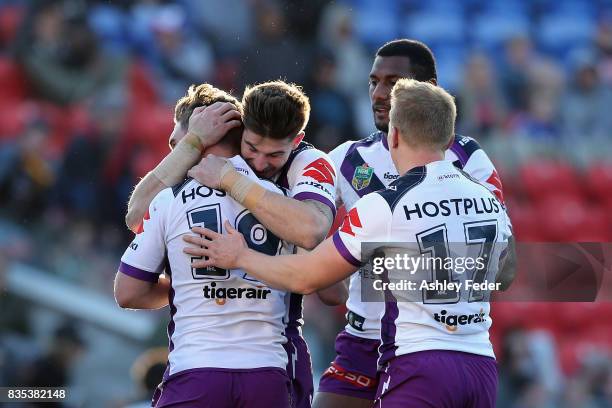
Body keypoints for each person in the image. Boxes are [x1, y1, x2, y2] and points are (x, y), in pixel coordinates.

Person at [185, 78, 516, 408]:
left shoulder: (385, 203)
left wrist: (241, 256)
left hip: (418, 364)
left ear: (395, 135)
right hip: (480, 365)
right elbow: (505, 273)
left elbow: (306, 277)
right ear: (448, 136)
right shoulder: (487, 199)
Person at [124, 81, 347, 408]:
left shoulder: (308, 163)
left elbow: (312, 234)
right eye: (252, 148)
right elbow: (136, 215)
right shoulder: (195, 179)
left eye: (274, 155)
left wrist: (231, 182)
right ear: (240, 135)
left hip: (245, 361)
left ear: (295, 143)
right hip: (268, 367)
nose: (259, 163)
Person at [312, 39, 508, 408]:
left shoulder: (469, 159)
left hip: (428, 341)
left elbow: (496, 256)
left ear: (427, 89)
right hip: (363, 340)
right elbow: (307, 225)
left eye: (393, 83)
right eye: (373, 82)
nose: (379, 93)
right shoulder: (347, 159)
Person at [114, 105, 293, 406]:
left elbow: (127, 292)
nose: (175, 154)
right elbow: (325, 287)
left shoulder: (169, 200)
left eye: (177, 144)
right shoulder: (283, 200)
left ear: (203, 134)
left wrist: (186, 285)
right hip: (268, 374)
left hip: (197, 370)